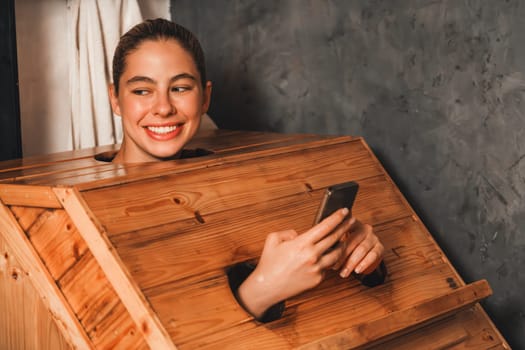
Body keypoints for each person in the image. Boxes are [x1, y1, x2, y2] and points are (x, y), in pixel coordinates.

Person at [108, 18, 385, 321]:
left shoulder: (237, 188)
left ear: (205, 98)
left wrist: (363, 263)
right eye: (142, 91)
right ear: (115, 99)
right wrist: (263, 289)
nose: (163, 107)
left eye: (180, 87)